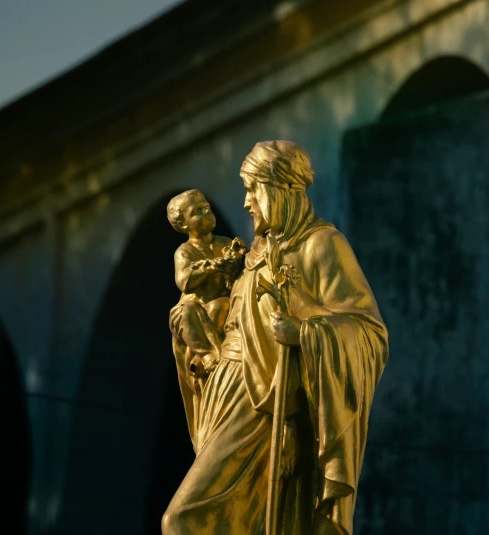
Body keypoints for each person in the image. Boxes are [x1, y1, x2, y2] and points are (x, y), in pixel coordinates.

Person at [164, 141, 388, 535]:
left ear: (278, 188)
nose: (247, 203)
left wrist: (303, 332)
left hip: (264, 401)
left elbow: (368, 332)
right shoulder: (257, 251)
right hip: (227, 391)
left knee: (185, 519)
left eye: (253, 189)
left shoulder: (321, 244)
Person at [167, 189, 245, 378]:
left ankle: (225, 351)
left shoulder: (225, 243)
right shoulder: (184, 251)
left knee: (224, 305)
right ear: (182, 223)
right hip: (194, 308)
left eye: (207, 208)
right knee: (186, 312)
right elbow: (184, 280)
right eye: (198, 211)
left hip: (222, 304)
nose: (207, 213)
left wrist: (237, 259)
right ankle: (207, 355)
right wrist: (215, 265)